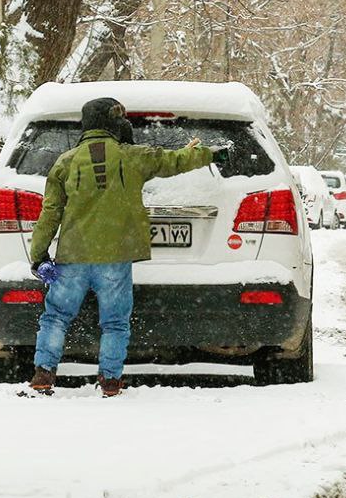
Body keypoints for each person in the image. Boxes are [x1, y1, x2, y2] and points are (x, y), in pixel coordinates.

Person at [27, 97, 222, 397]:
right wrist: (207, 153)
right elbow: (174, 161)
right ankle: (110, 381)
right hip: (115, 259)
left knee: (56, 316)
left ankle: (43, 374)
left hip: (73, 257)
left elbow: (50, 213)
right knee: (115, 322)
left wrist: (38, 255)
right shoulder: (133, 156)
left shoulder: (64, 163)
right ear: (113, 123)